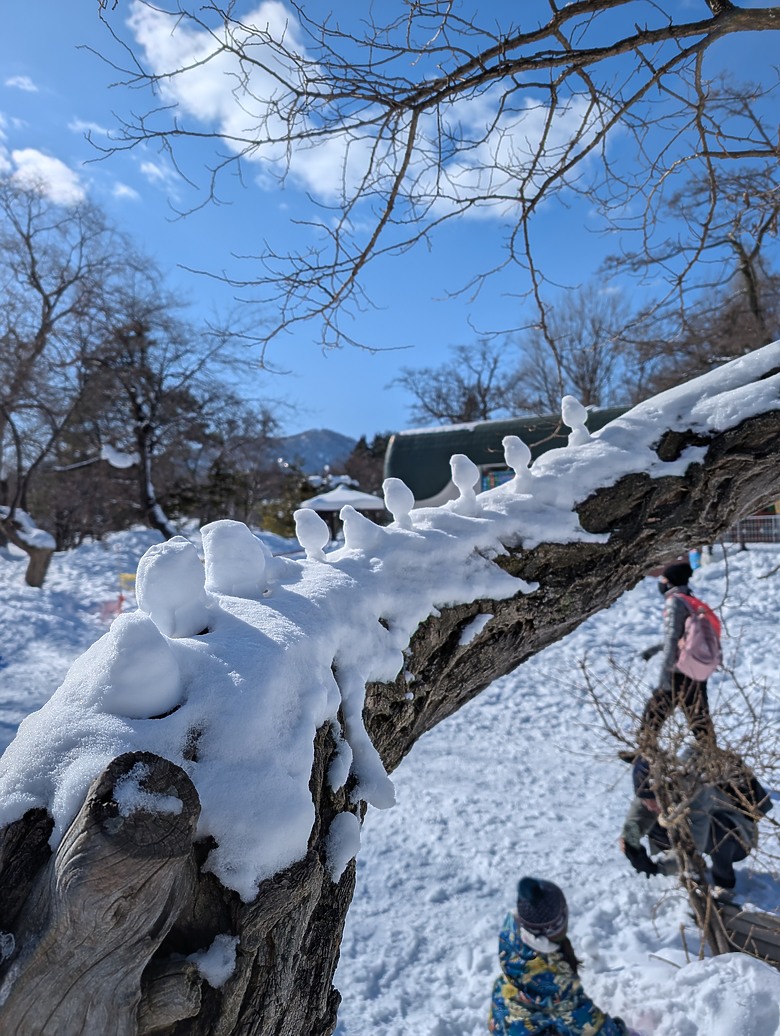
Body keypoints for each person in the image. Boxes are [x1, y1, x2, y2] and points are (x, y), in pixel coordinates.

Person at [488, 877, 640, 1035]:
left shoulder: (513, 929)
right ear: (558, 925)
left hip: (502, 1018)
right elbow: (584, 1020)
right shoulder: (551, 977)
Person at [620, 755, 772, 900]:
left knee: (718, 830)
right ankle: (691, 866)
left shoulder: (696, 791)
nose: (649, 806)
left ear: (665, 792)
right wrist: (630, 843)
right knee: (657, 820)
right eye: (645, 801)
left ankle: (723, 881)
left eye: (653, 801)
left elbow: (693, 843)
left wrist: (660, 867)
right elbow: (636, 818)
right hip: (695, 829)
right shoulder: (649, 787)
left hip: (735, 836)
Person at [634, 560, 717, 751]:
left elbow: (673, 637)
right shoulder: (691, 601)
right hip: (695, 666)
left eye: (663, 579)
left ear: (670, 582)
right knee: (698, 713)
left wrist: (666, 671)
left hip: (678, 669)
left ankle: (645, 751)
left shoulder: (675, 602)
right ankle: (710, 755)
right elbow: (684, 637)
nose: (661, 583)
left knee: (656, 708)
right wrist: (654, 650)